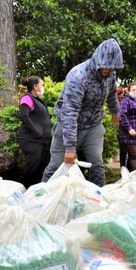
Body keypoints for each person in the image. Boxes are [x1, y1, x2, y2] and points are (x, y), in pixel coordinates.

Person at [41, 38, 124, 187]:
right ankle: (41, 200)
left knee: (97, 166)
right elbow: (70, 111)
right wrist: (71, 147)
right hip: (68, 127)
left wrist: (115, 111)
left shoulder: (110, 75)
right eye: (108, 68)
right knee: (56, 167)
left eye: (113, 69)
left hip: (93, 126)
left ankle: (97, 199)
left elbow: (111, 94)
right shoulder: (78, 76)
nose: (110, 71)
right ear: (98, 60)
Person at [17, 76, 52, 188]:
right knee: (32, 168)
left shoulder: (38, 100)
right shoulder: (27, 98)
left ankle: (35, 193)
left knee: (40, 168)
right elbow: (24, 116)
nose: (43, 87)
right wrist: (37, 132)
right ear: (35, 86)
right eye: (41, 85)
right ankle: (26, 191)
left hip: (41, 141)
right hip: (31, 139)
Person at [118, 82, 136, 172]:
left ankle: (128, 176)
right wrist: (129, 128)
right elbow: (122, 115)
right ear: (128, 91)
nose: (135, 92)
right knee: (134, 155)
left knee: (133, 155)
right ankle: (132, 176)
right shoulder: (126, 101)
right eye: (133, 90)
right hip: (128, 135)